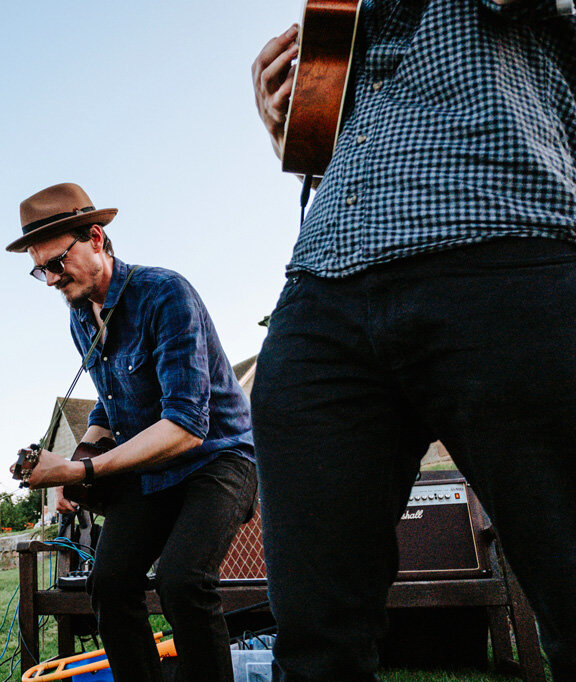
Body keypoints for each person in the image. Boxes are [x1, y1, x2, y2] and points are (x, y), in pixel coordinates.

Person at [250, 2, 576, 679]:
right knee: (313, 637)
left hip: (506, 229)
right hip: (324, 275)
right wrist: (298, 115)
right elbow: (332, 127)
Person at [6, 182, 257, 682]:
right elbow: (110, 399)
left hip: (217, 459)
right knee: (110, 582)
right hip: (153, 472)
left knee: (182, 582)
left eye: (56, 263)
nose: (51, 279)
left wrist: (84, 467)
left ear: (96, 238)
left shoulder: (165, 293)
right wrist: (73, 470)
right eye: (40, 270)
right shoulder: (80, 317)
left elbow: (187, 426)